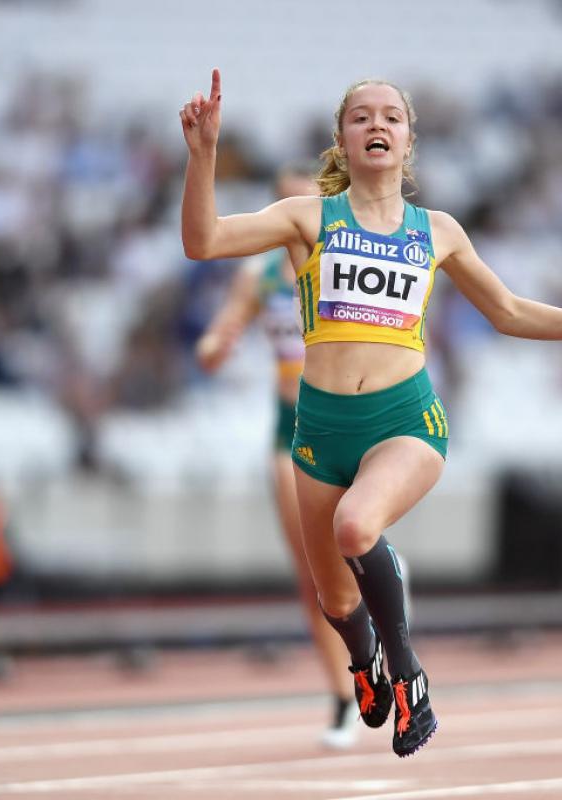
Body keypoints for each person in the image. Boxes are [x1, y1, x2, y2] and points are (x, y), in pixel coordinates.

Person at [180, 69, 562, 758]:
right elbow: (202, 241)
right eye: (360, 117)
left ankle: (408, 676)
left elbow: (507, 311)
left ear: (408, 141)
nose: (377, 125)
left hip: (404, 420)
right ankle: (364, 667)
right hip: (319, 429)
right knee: (337, 599)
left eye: (391, 117)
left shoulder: (436, 231)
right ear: (342, 141)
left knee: (357, 527)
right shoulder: (307, 218)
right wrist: (203, 155)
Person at [194, 164, 359, 750]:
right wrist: (214, 347)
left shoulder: (353, 261)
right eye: (284, 201)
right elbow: (223, 331)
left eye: (306, 199)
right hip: (290, 423)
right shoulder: (260, 273)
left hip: (352, 411)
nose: (295, 211)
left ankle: (383, 572)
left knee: (357, 539)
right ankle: (345, 696)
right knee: (314, 572)